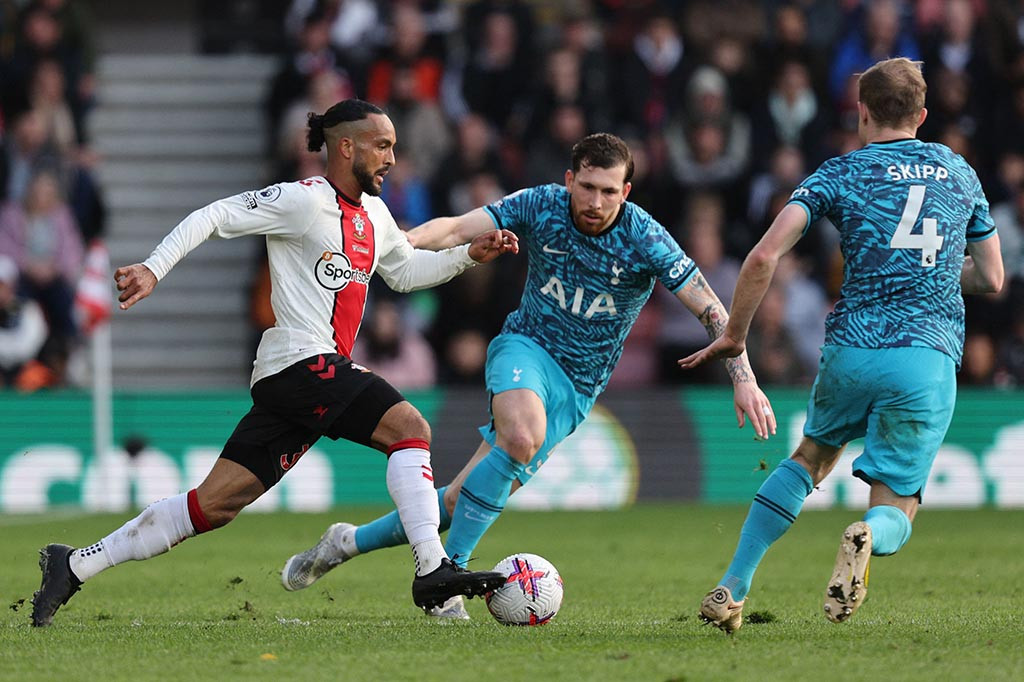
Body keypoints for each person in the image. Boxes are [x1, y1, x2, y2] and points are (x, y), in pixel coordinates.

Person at [29, 98, 518, 627]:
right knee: (409, 426)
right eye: (383, 146)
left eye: (394, 147)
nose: (392, 159)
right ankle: (432, 569)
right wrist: (153, 267)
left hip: (307, 379)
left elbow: (404, 273)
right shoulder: (302, 201)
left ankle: (74, 565)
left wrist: (467, 255)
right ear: (346, 146)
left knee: (212, 505)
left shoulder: (375, 214)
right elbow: (213, 215)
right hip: (299, 361)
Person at [281, 132, 777, 619]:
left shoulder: (644, 236)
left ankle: (344, 542)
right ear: (569, 181)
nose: (596, 201)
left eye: (609, 191)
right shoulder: (542, 204)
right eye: (586, 187)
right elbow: (456, 227)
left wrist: (744, 377)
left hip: (577, 390)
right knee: (520, 436)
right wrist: (399, 243)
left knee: (457, 499)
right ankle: (447, 579)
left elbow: (712, 310)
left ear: (625, 192)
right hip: (525, 349)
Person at [680, 58, 1004, 633]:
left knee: (809, 458)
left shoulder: (839, 173)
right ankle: (868, 534)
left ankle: (732, 585)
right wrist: (928, 273)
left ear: (861, 112)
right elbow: (991, 278)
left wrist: (734, 336)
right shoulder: (959, 172)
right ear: (923, 116)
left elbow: (762, 257)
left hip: (853, 349)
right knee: (897, 502)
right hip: (925, 357)